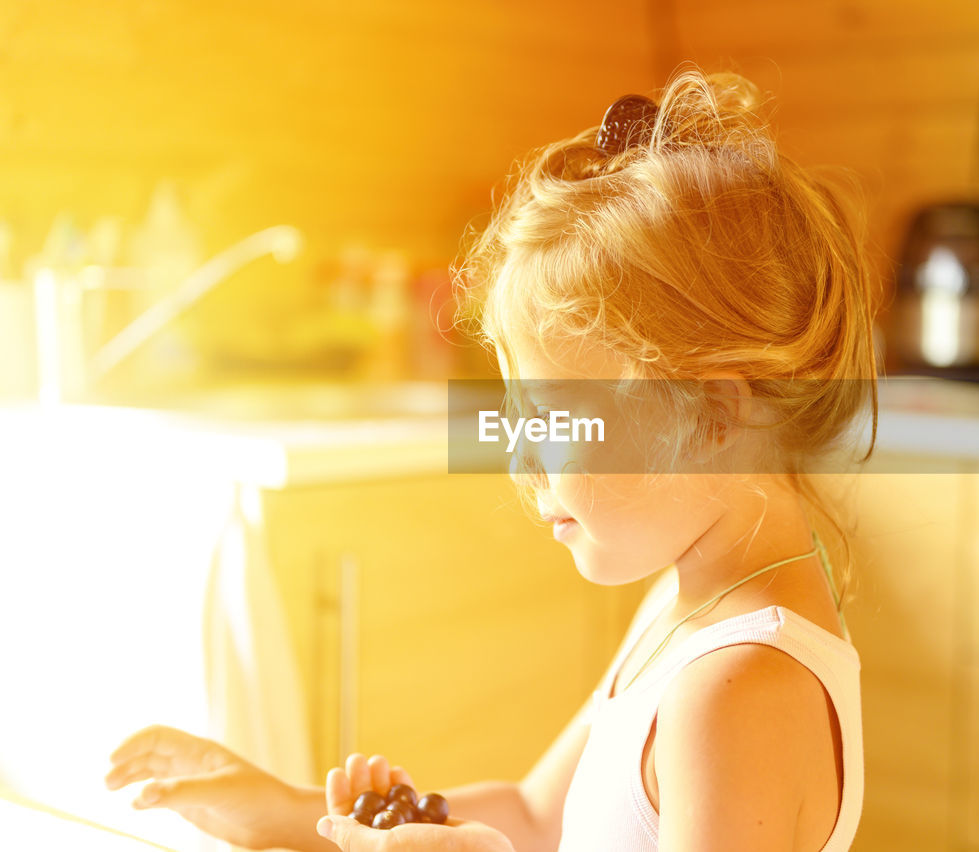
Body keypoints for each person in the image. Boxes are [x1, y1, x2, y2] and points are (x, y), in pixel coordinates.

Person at [105, 63, 882, 851]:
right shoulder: (694, 609)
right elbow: (539, 815)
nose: (520, 461)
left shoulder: (738, 691)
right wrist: (289, 811)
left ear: (711, 414)